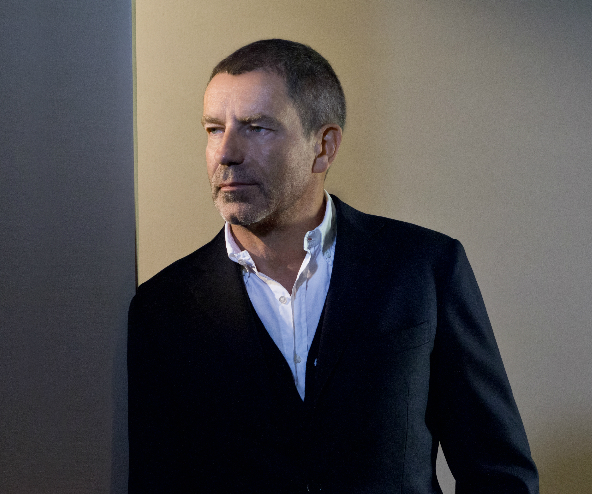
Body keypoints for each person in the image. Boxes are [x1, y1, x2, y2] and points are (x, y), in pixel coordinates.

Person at [128, 39, 539, 493]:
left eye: (256, 127)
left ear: (323, 147)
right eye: (213, 129)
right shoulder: (162, 307)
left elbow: (499, 473)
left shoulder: (425, 268)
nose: (226, 152)